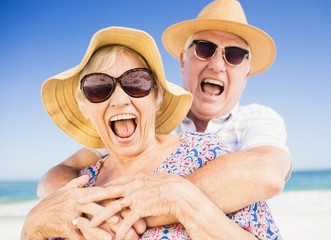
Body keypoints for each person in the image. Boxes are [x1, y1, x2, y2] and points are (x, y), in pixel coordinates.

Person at [38, 0, 291, 234]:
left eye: (234, 55)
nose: (217, 64)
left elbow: (267, 172)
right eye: (205, 49)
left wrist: (156, 204)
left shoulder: (255, 120)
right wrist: (43, 217)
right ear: (183, 60)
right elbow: (64, 171)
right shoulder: (138, 127)